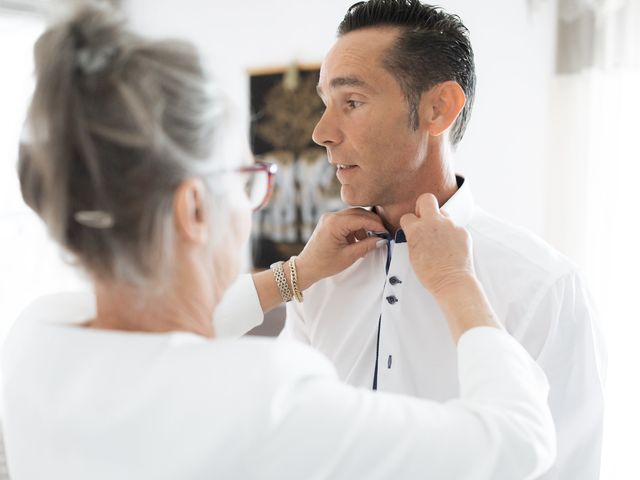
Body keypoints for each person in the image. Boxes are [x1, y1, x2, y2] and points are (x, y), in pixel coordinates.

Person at [0, 5, 556, 480]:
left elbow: (147, 334)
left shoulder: (33, 340)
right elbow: (516, 443)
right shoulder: (261, 396)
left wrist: (295, 275)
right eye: (246, 181)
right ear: (194, 208)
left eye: (351, 102)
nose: (320, 134)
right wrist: (457, 283)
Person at [236, 1, 606, 479]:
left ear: (437, 108)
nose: (321, 132)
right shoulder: (319, 271)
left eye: (351, 103)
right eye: (325, 104)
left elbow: (569, 468)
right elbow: (294, 437)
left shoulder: (545, 285)